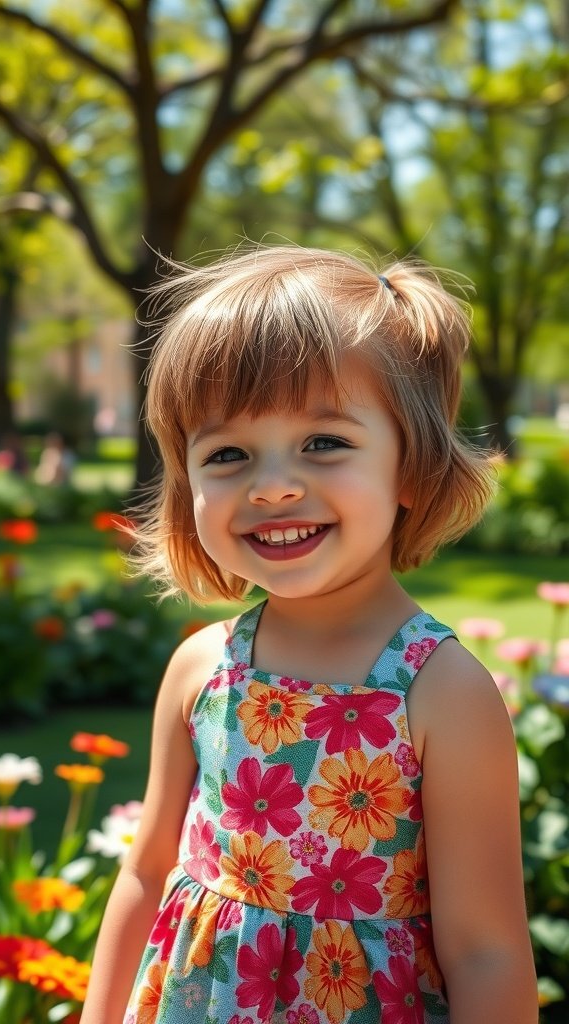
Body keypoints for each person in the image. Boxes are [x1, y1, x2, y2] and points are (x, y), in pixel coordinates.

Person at [80, 245, 538, 1024]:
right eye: (227, 454)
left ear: (412, 467)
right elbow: (147, 872)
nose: (272, 484)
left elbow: (485, 950)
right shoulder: (202, 668)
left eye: (324, 442)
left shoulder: (440, 690)